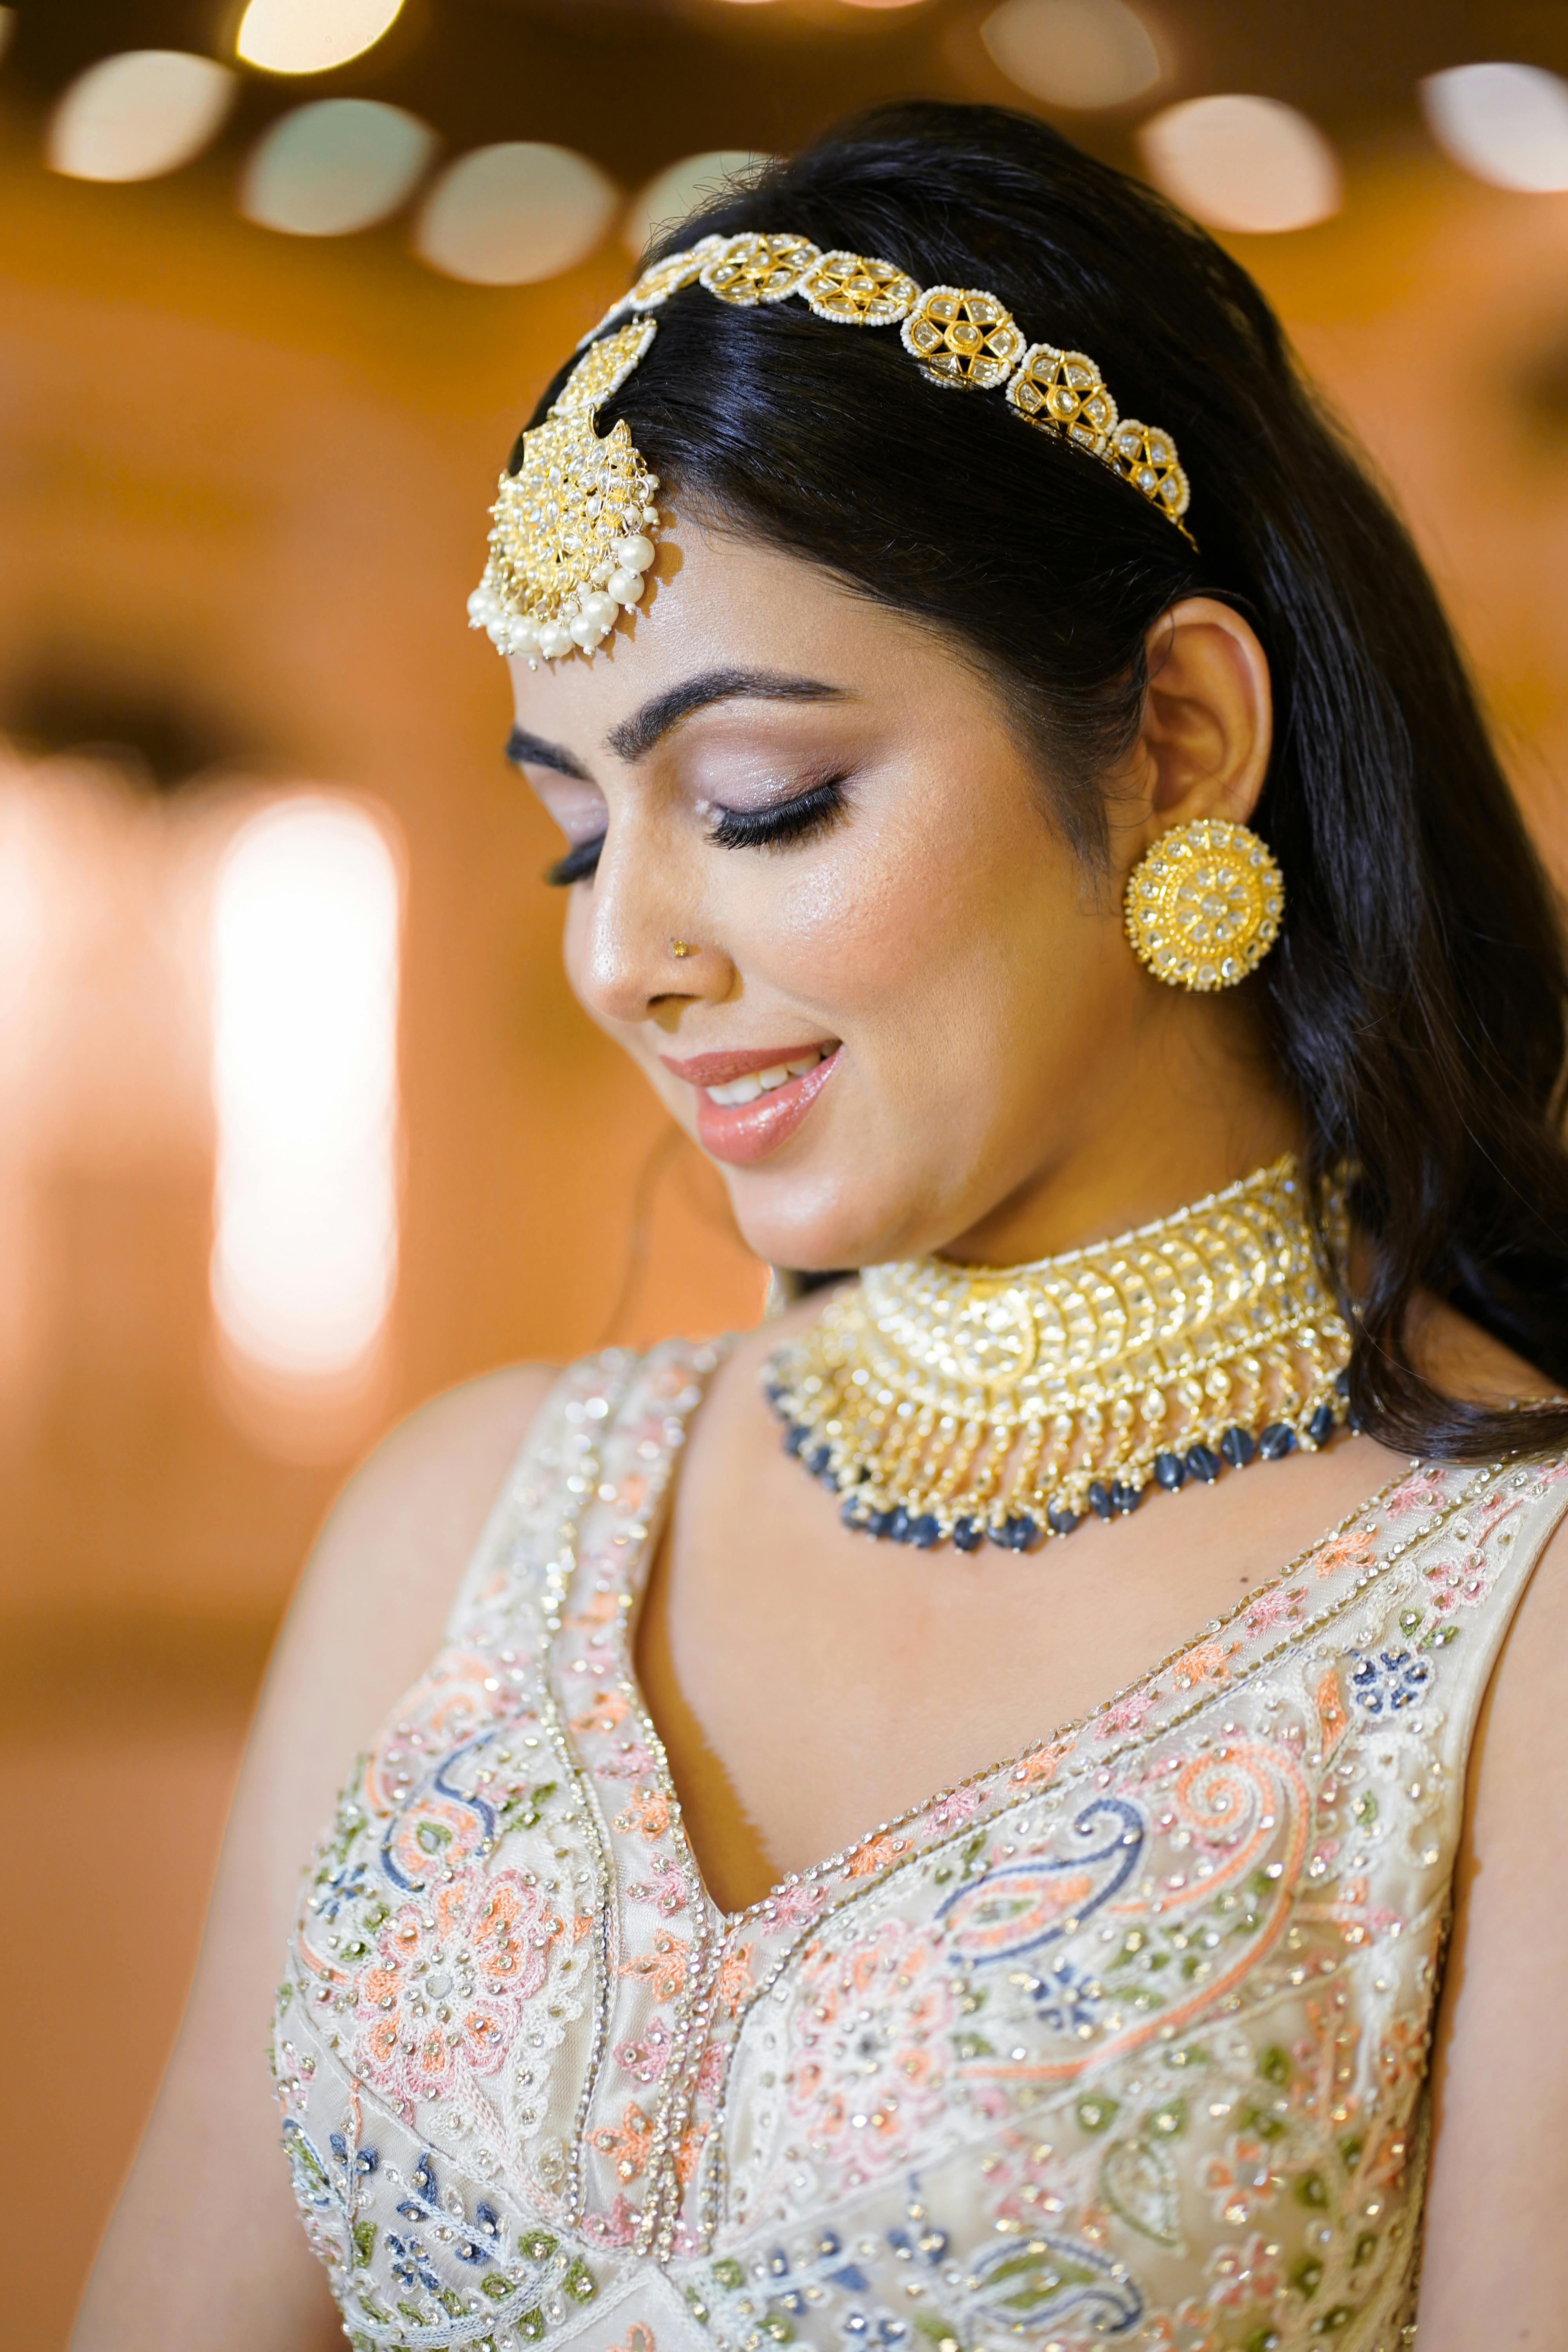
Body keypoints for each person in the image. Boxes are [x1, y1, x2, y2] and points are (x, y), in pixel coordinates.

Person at [75, 100, 1568, 2352]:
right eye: (583, 839)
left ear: (1174, 737)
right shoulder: (466, 1529)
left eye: (760, 805)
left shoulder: (1516, 1623)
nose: (621, 957)